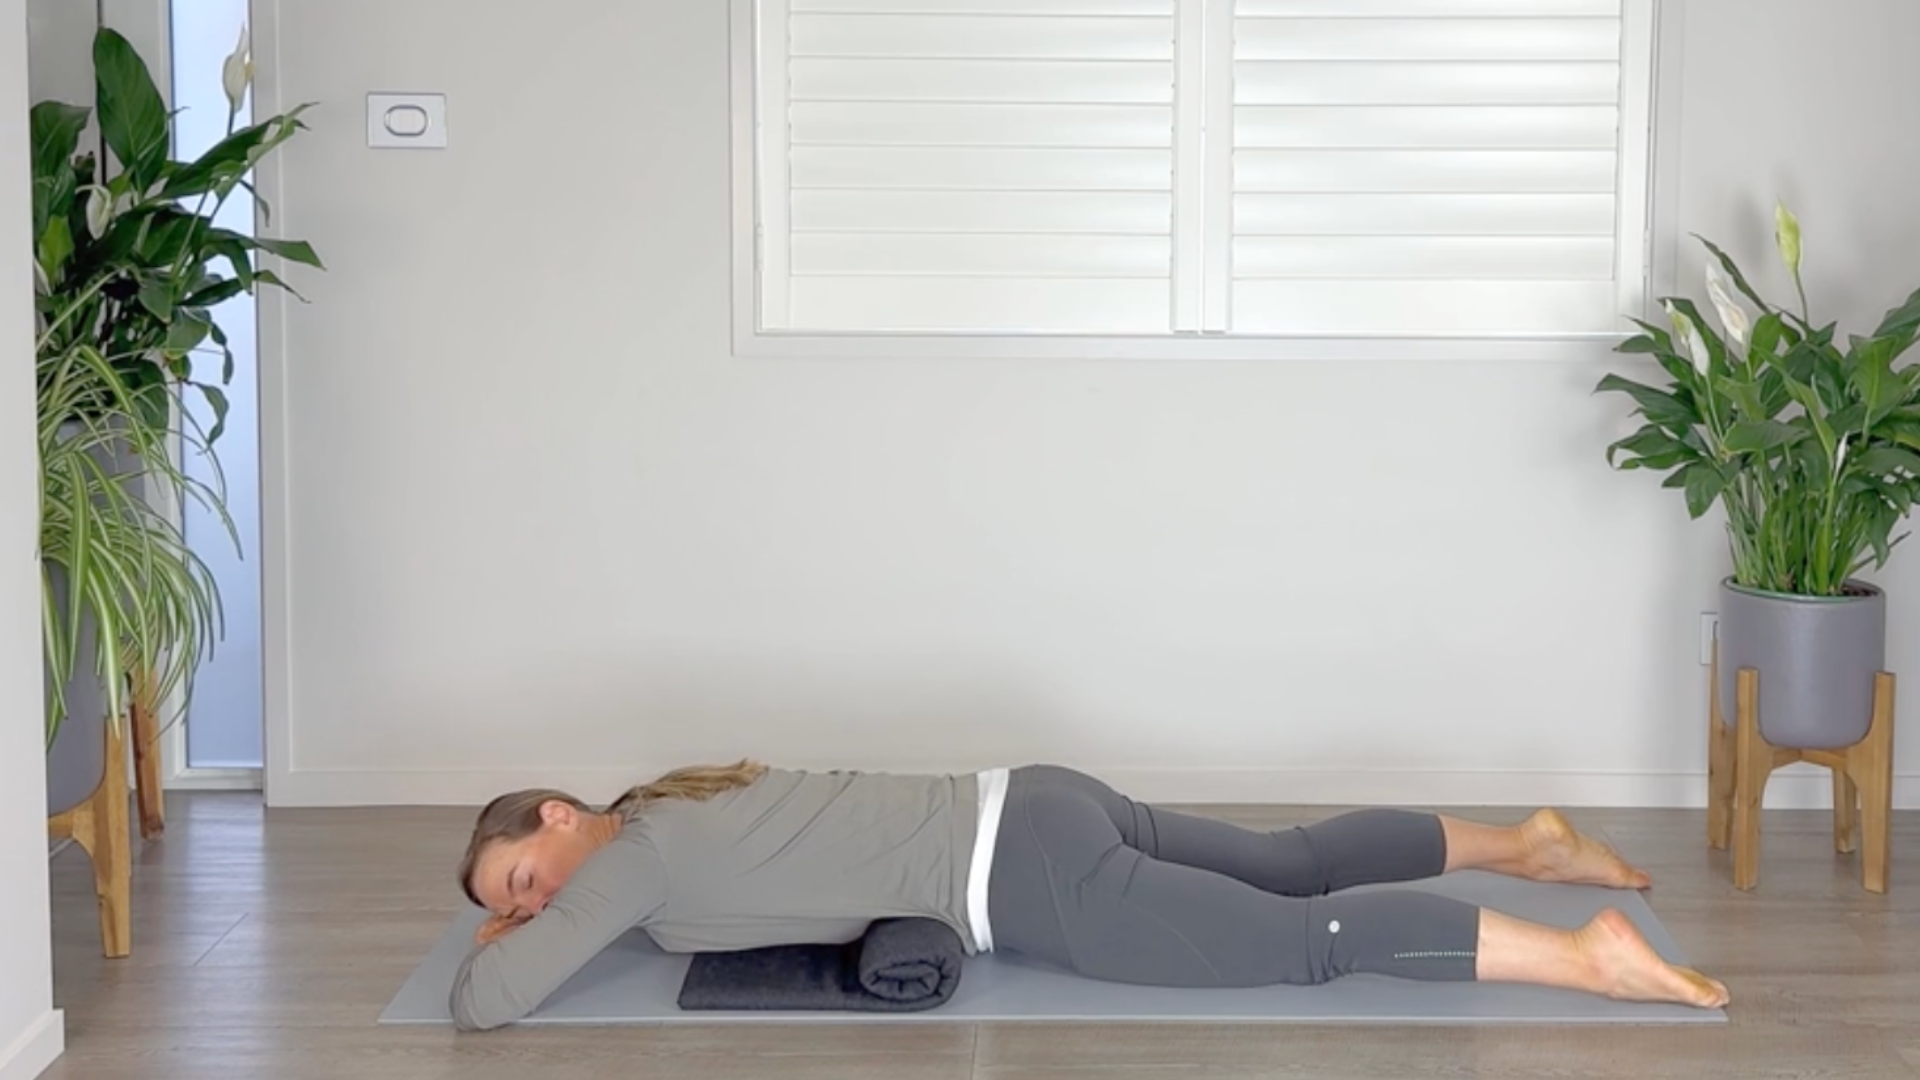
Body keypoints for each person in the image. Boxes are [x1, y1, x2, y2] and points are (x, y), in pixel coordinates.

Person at [447, 761, 1729, 1031]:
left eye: (521, 879)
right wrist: (534, 910)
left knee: (1304, 940)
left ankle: (1586, 956)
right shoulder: (680, 801)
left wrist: (513, 937)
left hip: (1029, 879)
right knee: (1289, 858)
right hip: (1036, 798)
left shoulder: (637, 859)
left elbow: (485, 1003)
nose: (534, 903)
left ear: (558, 816)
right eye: (517, 900)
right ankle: (1529, 846)